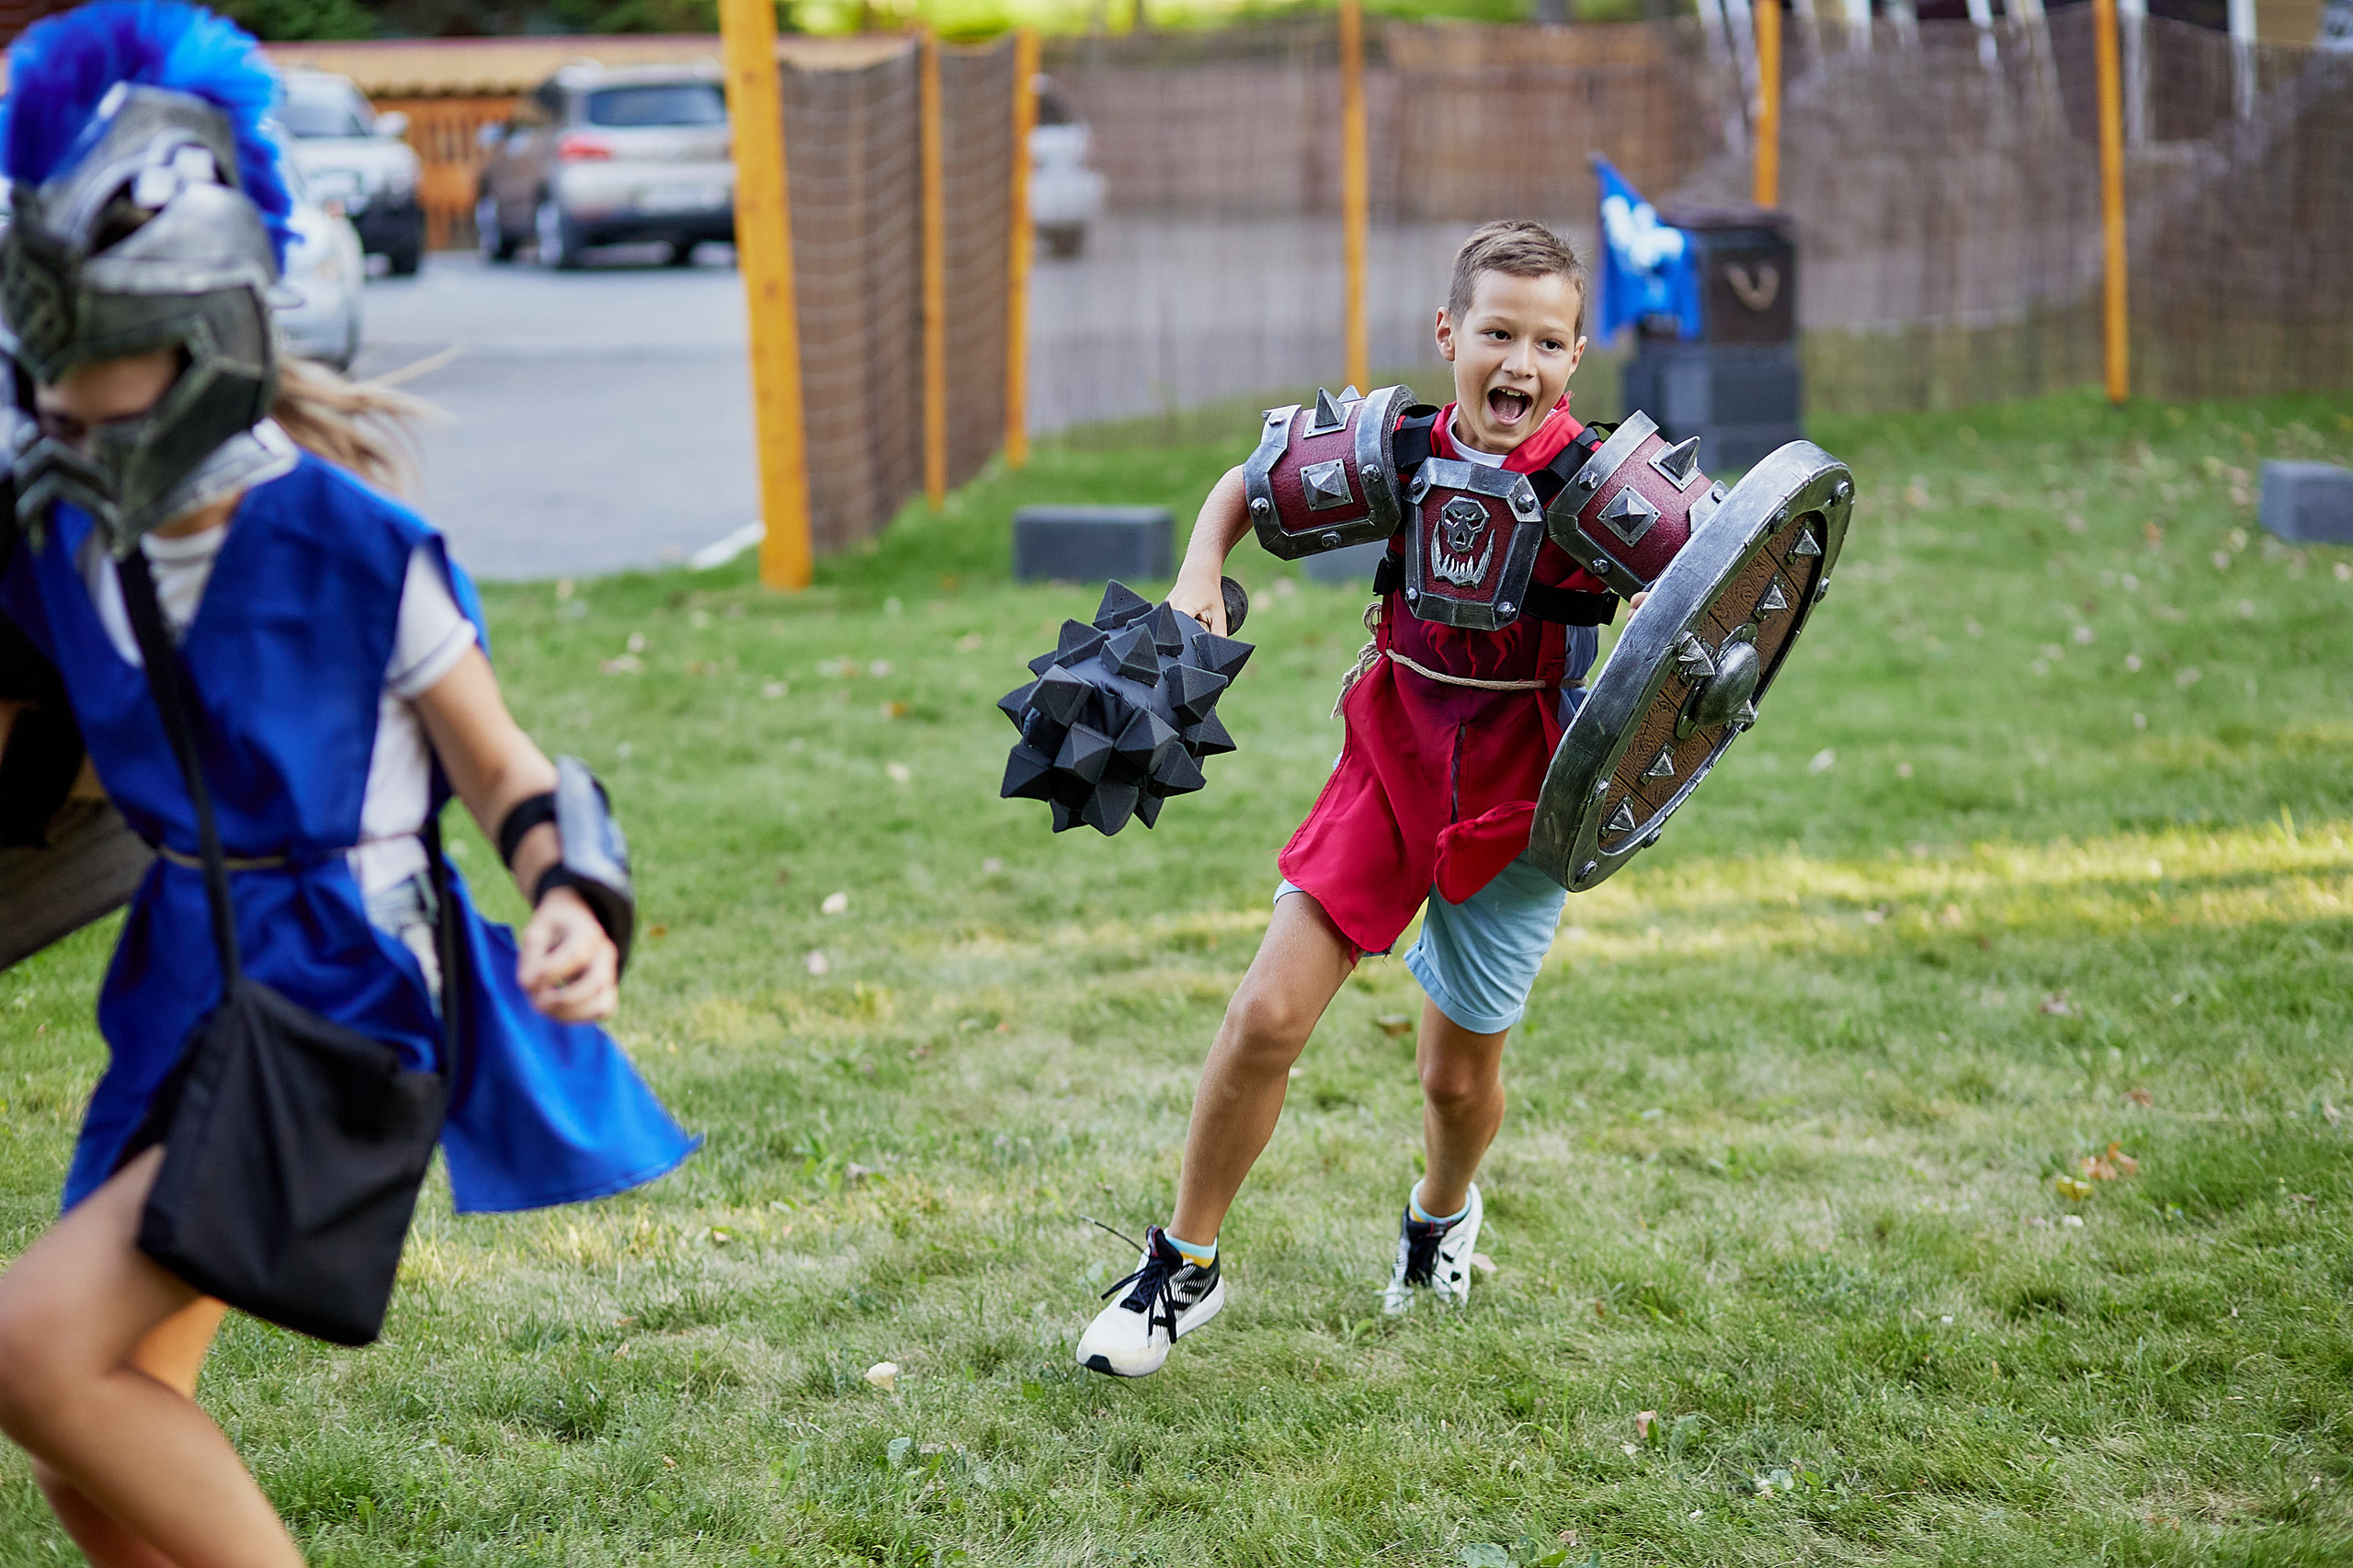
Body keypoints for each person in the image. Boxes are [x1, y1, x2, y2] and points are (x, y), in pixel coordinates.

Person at [0, 6, 696, 1562]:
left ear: (200, 331)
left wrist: (574, 897)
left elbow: (507, 770)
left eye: (92, 369)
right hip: (175, 990)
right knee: (87, 1452)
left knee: (34, 1356)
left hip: (342, 993)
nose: (61, 413)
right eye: (40, 368)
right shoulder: (53, 539)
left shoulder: (357, 550)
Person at [1079, 220, 1643, 1378]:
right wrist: (1198, 578)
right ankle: (1183, 1265)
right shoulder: (1397, 447)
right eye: (1496, 333)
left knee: (1453, 1074)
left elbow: (1717, 591)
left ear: (1576, 355)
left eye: (1546, 341)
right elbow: (1244, 485)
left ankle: (1441, 1216)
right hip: (1388, 763)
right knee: (1267, 1015)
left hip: (1520, 809)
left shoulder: (1600, 489)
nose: (1517, 365)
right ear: (1450, 333)